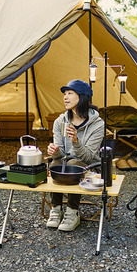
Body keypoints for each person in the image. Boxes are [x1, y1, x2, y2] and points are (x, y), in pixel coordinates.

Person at [46, 79, 105, 231]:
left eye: (70, 93)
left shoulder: (98, 124)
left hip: (90, 166)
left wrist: (76, 141)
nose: (65, 97)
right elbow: (60, 154)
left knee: (73, 164)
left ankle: (73, 211)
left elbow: (89, 156)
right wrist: (54, 151)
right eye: (64, 94)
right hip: (66, 162)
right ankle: (56, 208)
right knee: (55, 164)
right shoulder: (60, 121)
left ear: (82, 97)